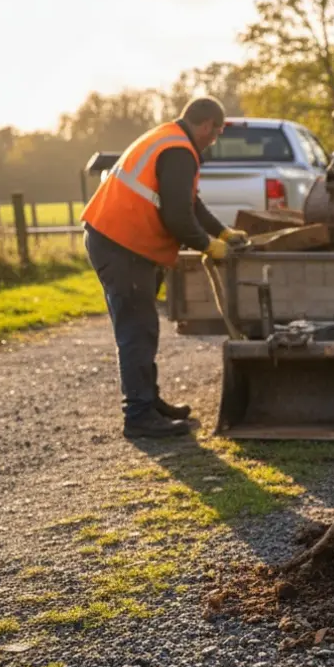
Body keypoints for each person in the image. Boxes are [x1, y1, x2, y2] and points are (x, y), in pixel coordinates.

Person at [81, 96, 249, 438]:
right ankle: (139, 416)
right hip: (120, 244)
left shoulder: (170, 140)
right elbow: (177, 217)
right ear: (206, 126)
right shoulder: (178, 151)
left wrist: (222, 232)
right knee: (137, 330)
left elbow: (189, 203)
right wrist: (208, 245)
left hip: (116, 239)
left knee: (141, 328)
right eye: (215, 133)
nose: (213, 141)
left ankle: (148, 402)